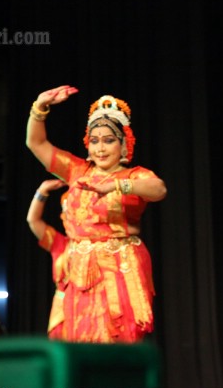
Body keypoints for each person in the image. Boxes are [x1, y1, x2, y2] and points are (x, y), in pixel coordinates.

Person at [26, 87, 167, 343]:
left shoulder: (134, 175)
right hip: (80, 270)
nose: (101, 148)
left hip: (120, 268)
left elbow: (158, 189)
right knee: (80, 341)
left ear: (124, 145)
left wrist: (117, 185)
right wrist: (40, 107)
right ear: (87, 145)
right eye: (95, 140)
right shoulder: (77, 170)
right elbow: (35, 143)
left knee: (116, 339)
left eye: (109, 140)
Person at [26, 178, 69, 339]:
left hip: (92, 309)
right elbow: (33, 220)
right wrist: (42, 191)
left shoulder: (100, 243)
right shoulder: (60, 243)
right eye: (66, 212)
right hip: (62, 310)